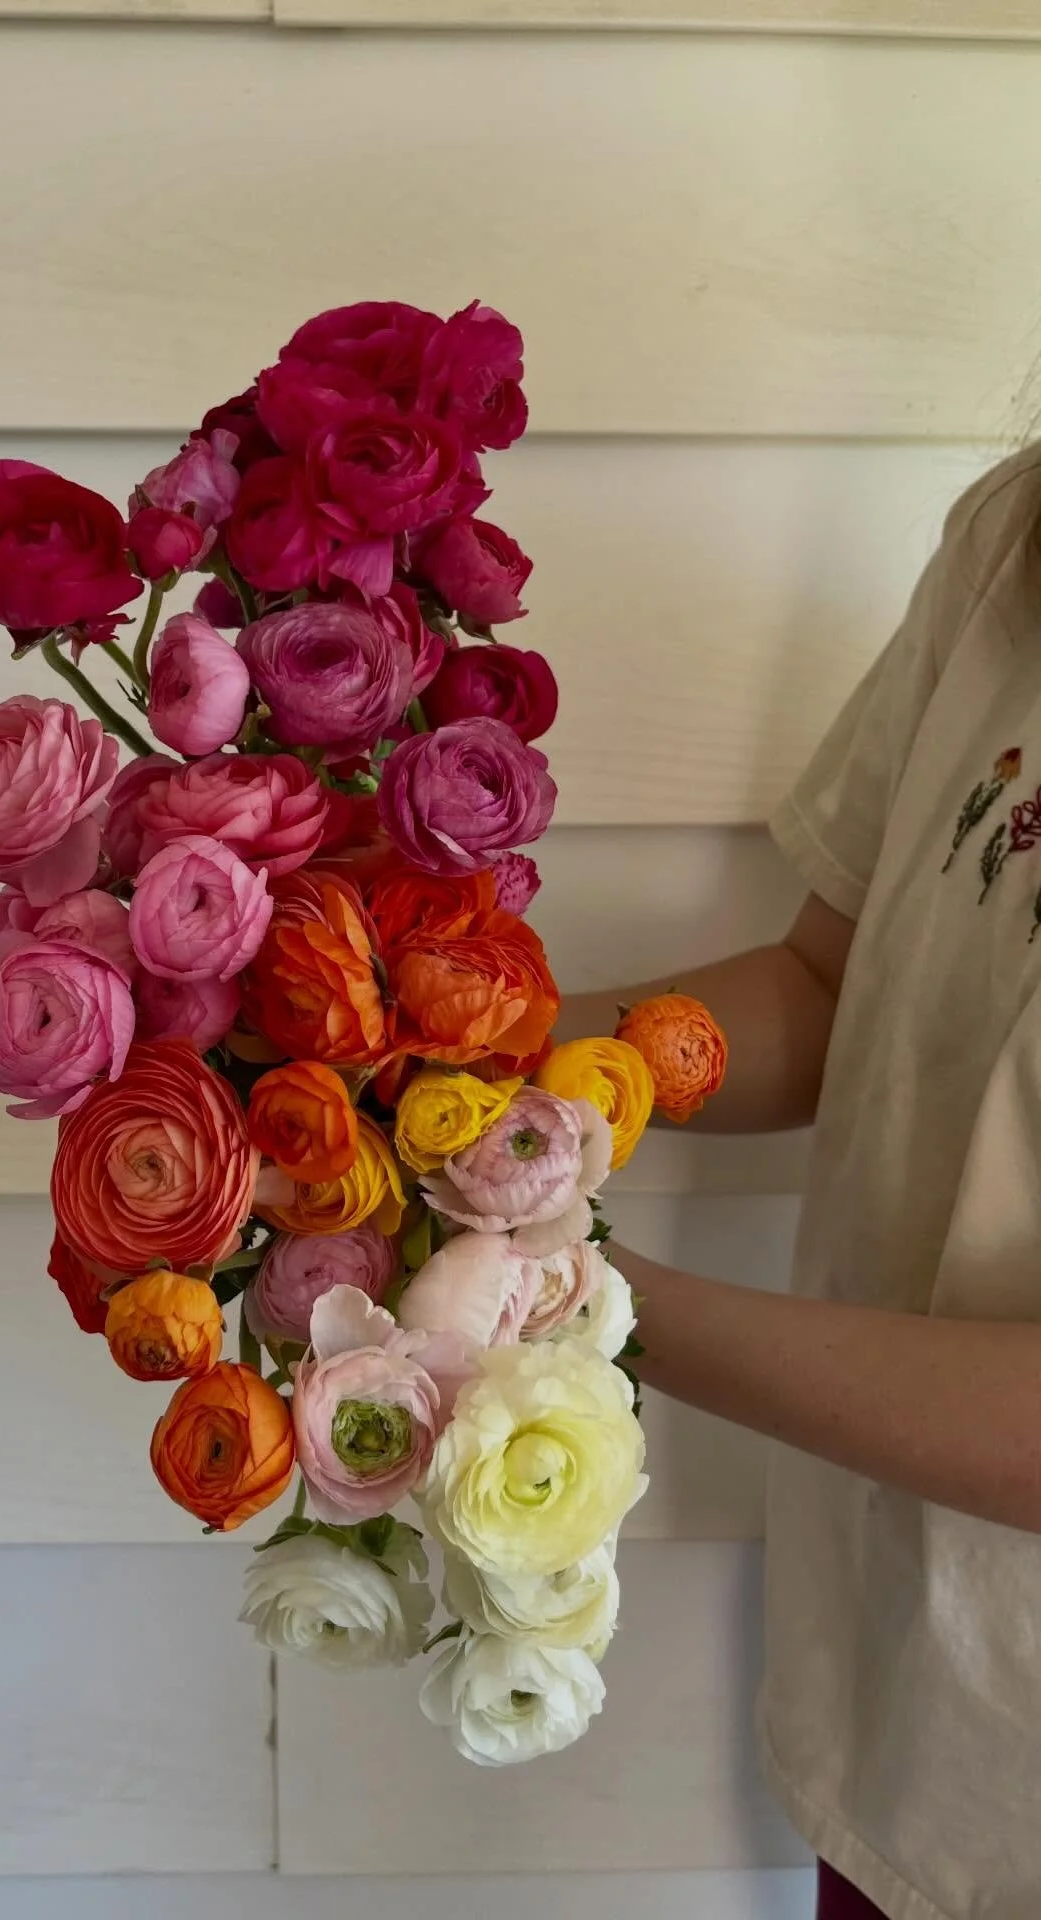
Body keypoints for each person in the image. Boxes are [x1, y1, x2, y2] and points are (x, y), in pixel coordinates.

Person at [553, 446, 1041, 1920]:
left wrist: (580, 1304)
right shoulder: (1017, 540)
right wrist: (472, 1055)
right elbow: (834, 988)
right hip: (905, 1706)